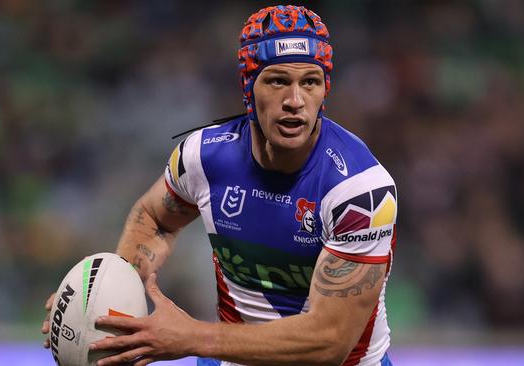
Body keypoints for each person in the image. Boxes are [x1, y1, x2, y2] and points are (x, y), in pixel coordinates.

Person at [42, 5, 398, 366]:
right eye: (277, 80)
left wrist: (193, 337)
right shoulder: (203, 157)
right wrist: (103, 297)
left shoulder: (362, 192)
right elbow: (156, 218)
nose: (295, 101)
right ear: (248, 86)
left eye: (310, 81)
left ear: (325, 89)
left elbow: (329, 341)